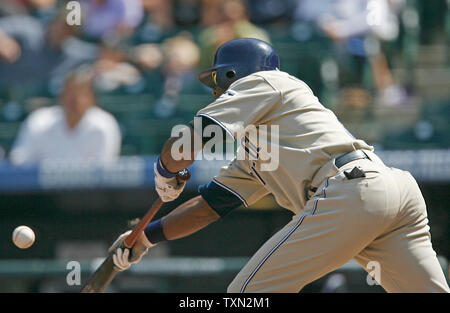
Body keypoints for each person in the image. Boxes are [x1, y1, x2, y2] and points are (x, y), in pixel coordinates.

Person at [108, 38, 450, 293]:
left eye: (217, 81)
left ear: (232, 74)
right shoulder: (263, 145)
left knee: (246, 296)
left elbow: (194, 139)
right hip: (389, 191)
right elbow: (209, 207)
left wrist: (166, 171)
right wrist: (145, 237)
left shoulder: (266, 81)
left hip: (352, 191)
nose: (215, 91)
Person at [9, 66, 122, 165]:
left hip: (90, 190)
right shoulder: (40, 121)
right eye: (70, 94)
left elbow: (105, 170)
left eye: (81, 95)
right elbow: (19, 162)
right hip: (40, 190)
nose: (75, 101)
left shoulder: (104, 124)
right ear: (61, 96)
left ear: (92, 99)